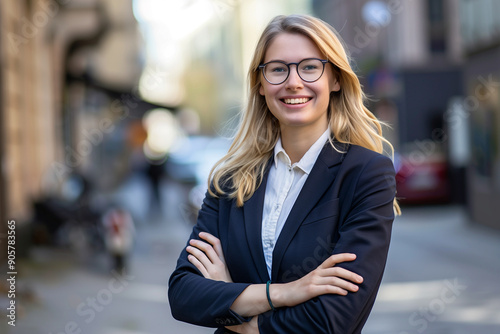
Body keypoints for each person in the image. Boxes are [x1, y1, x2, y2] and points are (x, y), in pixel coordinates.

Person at [168, 14, 400, 334]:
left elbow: (332, 321)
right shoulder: (230, 181)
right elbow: (182, 294)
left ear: (334, 79)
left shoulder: (366, 175)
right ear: (260, 85)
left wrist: (237, 309)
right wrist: (284, 292)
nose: (293, 82)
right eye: (278, 69)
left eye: (309, 66)